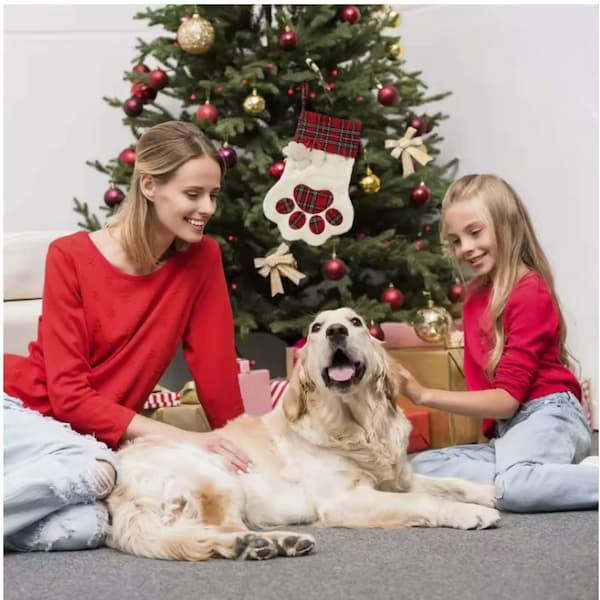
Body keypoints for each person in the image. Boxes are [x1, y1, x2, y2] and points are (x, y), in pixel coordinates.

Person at [4, 121, 252, 552]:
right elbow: (68, 397)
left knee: (90, 526)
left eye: (213, 195)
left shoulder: (202, 258)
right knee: (98, 469)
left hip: (84, 446)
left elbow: (216, 372)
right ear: (150, 186)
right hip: (22, 411)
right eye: (193, 194)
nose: (207, 207)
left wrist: (240, 448)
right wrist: (191, 440)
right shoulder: (70, 257)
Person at [403, 174, 598, 513]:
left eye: (475, 232)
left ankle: (528, 476)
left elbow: (506, 400)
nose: (465, 248)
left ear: (506, 225)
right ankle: (547, 475)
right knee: (414, 470)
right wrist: (489, 437)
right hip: (511, 431)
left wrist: (423, 395)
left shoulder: (529, 292)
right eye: (456, 240)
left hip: (550, 414)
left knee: (516, 489)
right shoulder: (476, 298)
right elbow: (484, 387)